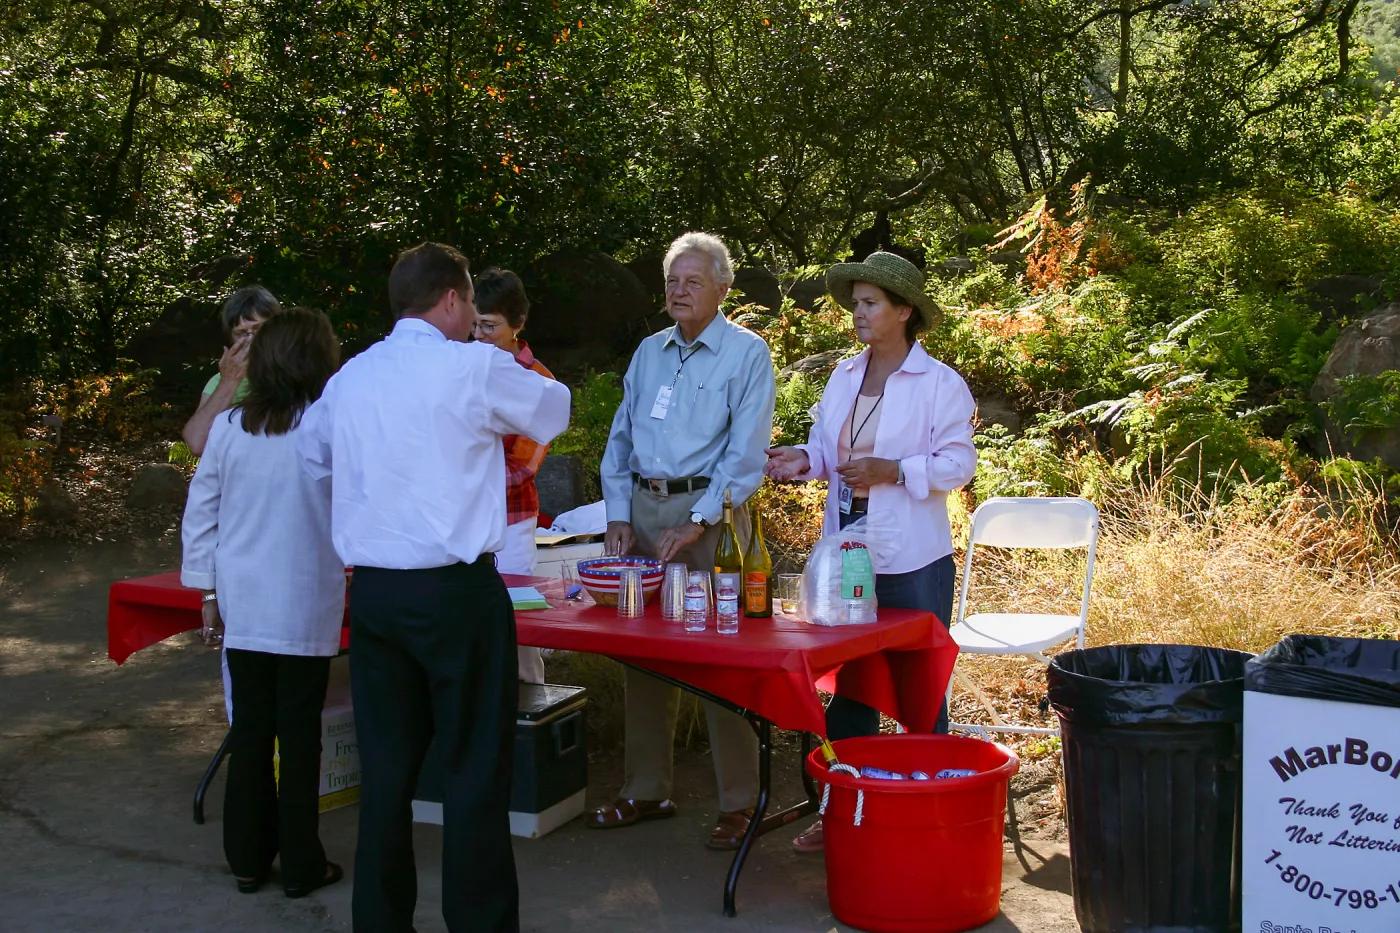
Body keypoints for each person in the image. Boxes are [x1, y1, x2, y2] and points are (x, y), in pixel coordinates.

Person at [298, 242, 570, 933]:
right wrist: (501, 360)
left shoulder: (352, 377)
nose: (474, 315)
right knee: (474, 767)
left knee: (386, 768)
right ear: (452, 298)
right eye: (472, 302)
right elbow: (554, 409)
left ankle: (380, 921)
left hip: (378, 594)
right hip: (456, 593)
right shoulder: (473, 365)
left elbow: (313, 458)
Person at [765, 250, 977, 852]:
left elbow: (959, 465)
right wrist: (801, 459)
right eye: (855, 302)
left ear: (904, 311)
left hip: (912, 558)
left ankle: (928, 819)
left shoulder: (940, 383)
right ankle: (843, 813)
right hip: (847, 553)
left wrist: (895, 470)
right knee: (850, 691)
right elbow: (828, 451)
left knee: (920, 692)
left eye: (870, 303)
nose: (857, 312)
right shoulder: (843, 375)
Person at [590, 232, 777, 850]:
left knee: (723, 654)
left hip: (712, 517)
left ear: (723, 289)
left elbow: (745, 453)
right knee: (644, 651)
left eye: (693, 281)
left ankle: (740, 803)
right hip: (644, 511)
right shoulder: (649, 351)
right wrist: (618, 511)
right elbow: (620, 436)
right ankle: (646, 789)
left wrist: (696, 519)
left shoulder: (747, 353)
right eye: (673, 280)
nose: (679, 290)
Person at [179, 307, 346, 897]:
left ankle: (247, 860)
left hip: (244, 602)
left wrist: (206, 590)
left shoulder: (230, 428)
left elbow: (201, 513)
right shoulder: (327, 427)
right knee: (300, 737)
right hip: (304, 601)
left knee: (251, 732)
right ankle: (301, 864)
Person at [470, 268, 553, 685]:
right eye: (474, 325)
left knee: (520, 634)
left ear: (518, 324)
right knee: (470, 634)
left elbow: (522, 467)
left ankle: (532, 713)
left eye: (489, 326)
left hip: (511, 523)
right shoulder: (462, 368)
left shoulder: (539, 381)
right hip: (463, 525)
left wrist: (458, 473)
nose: (479, 336)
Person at [183, 285, 283, 456]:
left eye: (259, 329)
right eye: (241, 333)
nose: (251, 340)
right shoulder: (219, 382)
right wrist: (229, 381)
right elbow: (197, 444)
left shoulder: (299, 371)